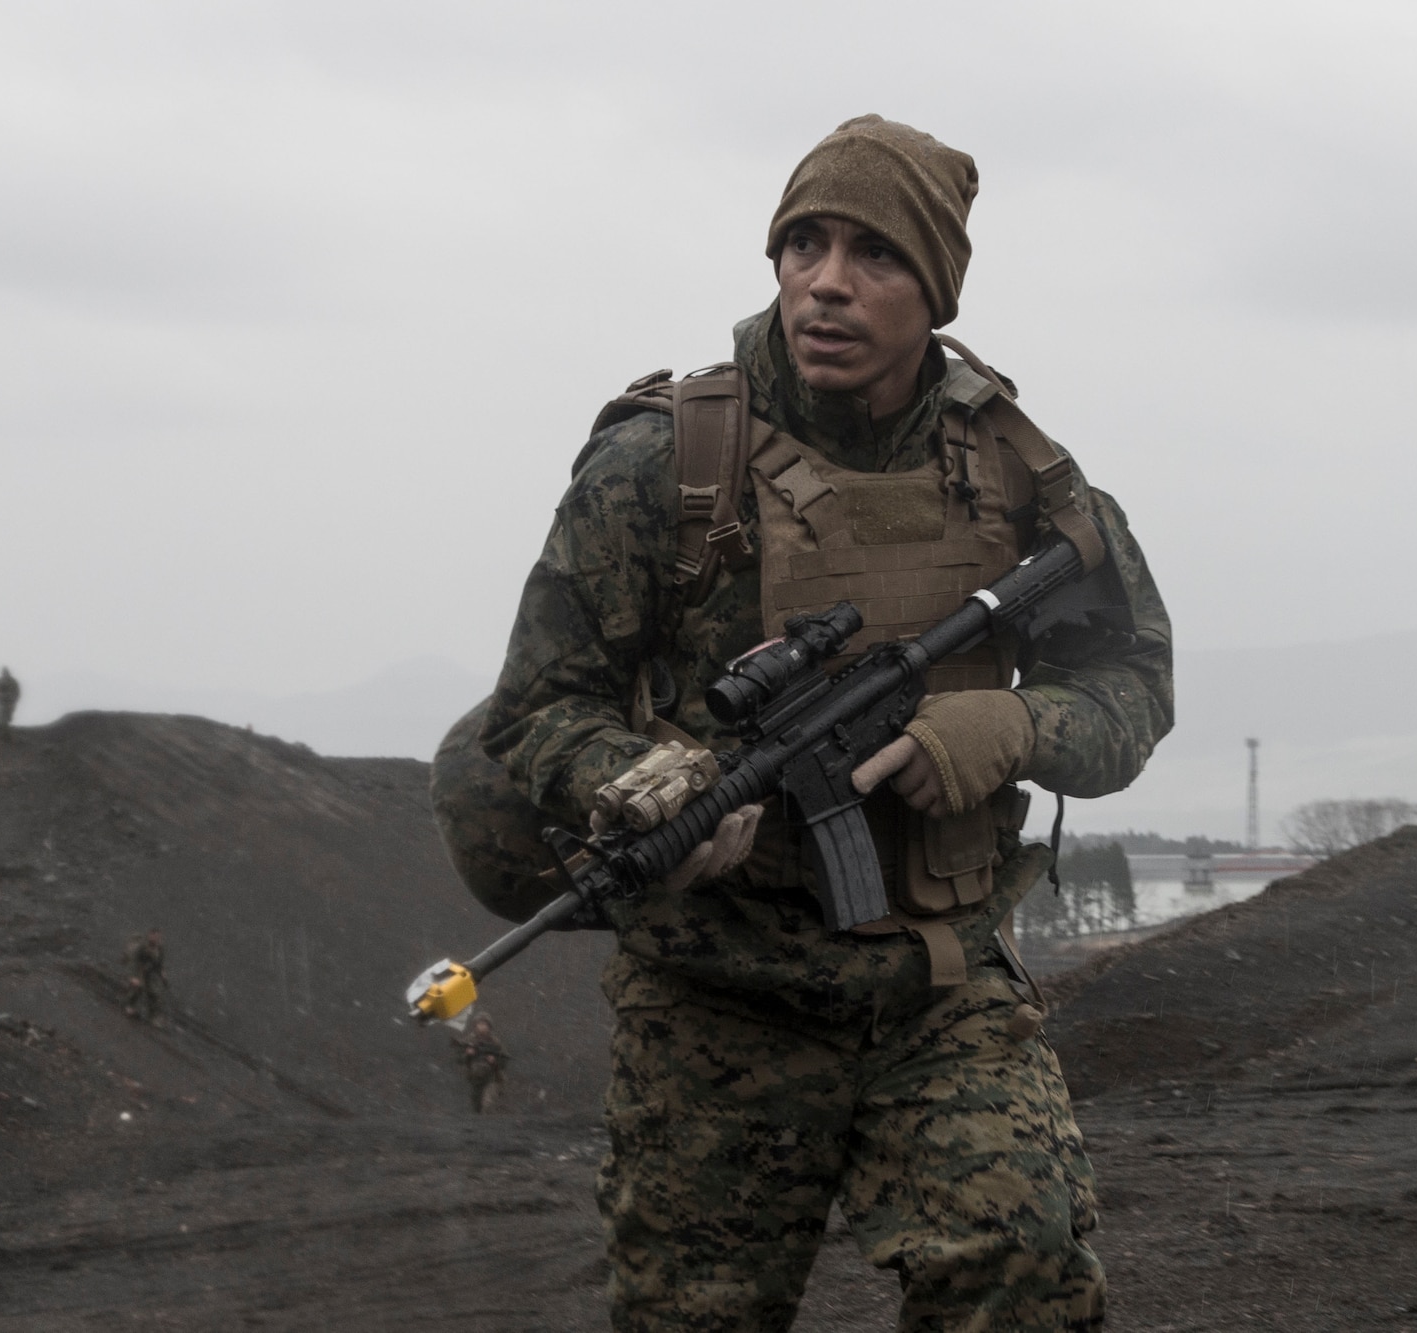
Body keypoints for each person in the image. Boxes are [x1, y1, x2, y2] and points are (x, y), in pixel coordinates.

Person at [467, 116, 1171, 1329]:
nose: (826, 282)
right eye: (802, 243)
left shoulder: (1020, 479)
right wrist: (636, 779)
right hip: (713, 998)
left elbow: (1129, 689)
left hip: (938, 985)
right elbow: (537, 707)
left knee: (1025, 1274)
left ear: (935, 288)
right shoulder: (663, 467)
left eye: (874, 254)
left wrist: (1004, 729)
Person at [450, 1014, 509, 1114]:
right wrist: (468, 1054)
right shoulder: (470, 1040)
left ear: (489, 1026)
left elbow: (504, 1061)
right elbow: (458, 1059)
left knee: (487, 1104)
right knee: (476, 1108)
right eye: (479, 1024)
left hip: (492, 1079)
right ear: (475, 1025)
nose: (482, 1027)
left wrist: (494, 1060)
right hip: (476, 1079)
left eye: (484, 1024)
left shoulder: (495, 1042)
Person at [122, 928, 166, 1023]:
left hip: (149, 971)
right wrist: (133, 976)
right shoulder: (142, 946)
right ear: (150, 935)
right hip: (139, 968)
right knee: (138, 986)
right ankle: (130, 1005)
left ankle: (153, 1015)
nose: (156, 939)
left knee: (154, 992)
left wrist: (162, 973)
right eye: (154, 936)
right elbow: (134, 961)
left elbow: (159, 963)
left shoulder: (159, 949)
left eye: (158, 937)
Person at [0, 667, 21, 740]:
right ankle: (2, 734)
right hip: (2, 702)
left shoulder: (13, 682)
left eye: (6, 672)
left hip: (9, 702)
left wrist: (13, 698)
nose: (5, 674)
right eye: (4, 672)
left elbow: (17, 692)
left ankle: (6, 733)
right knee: (1, 717)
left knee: (8, 716)